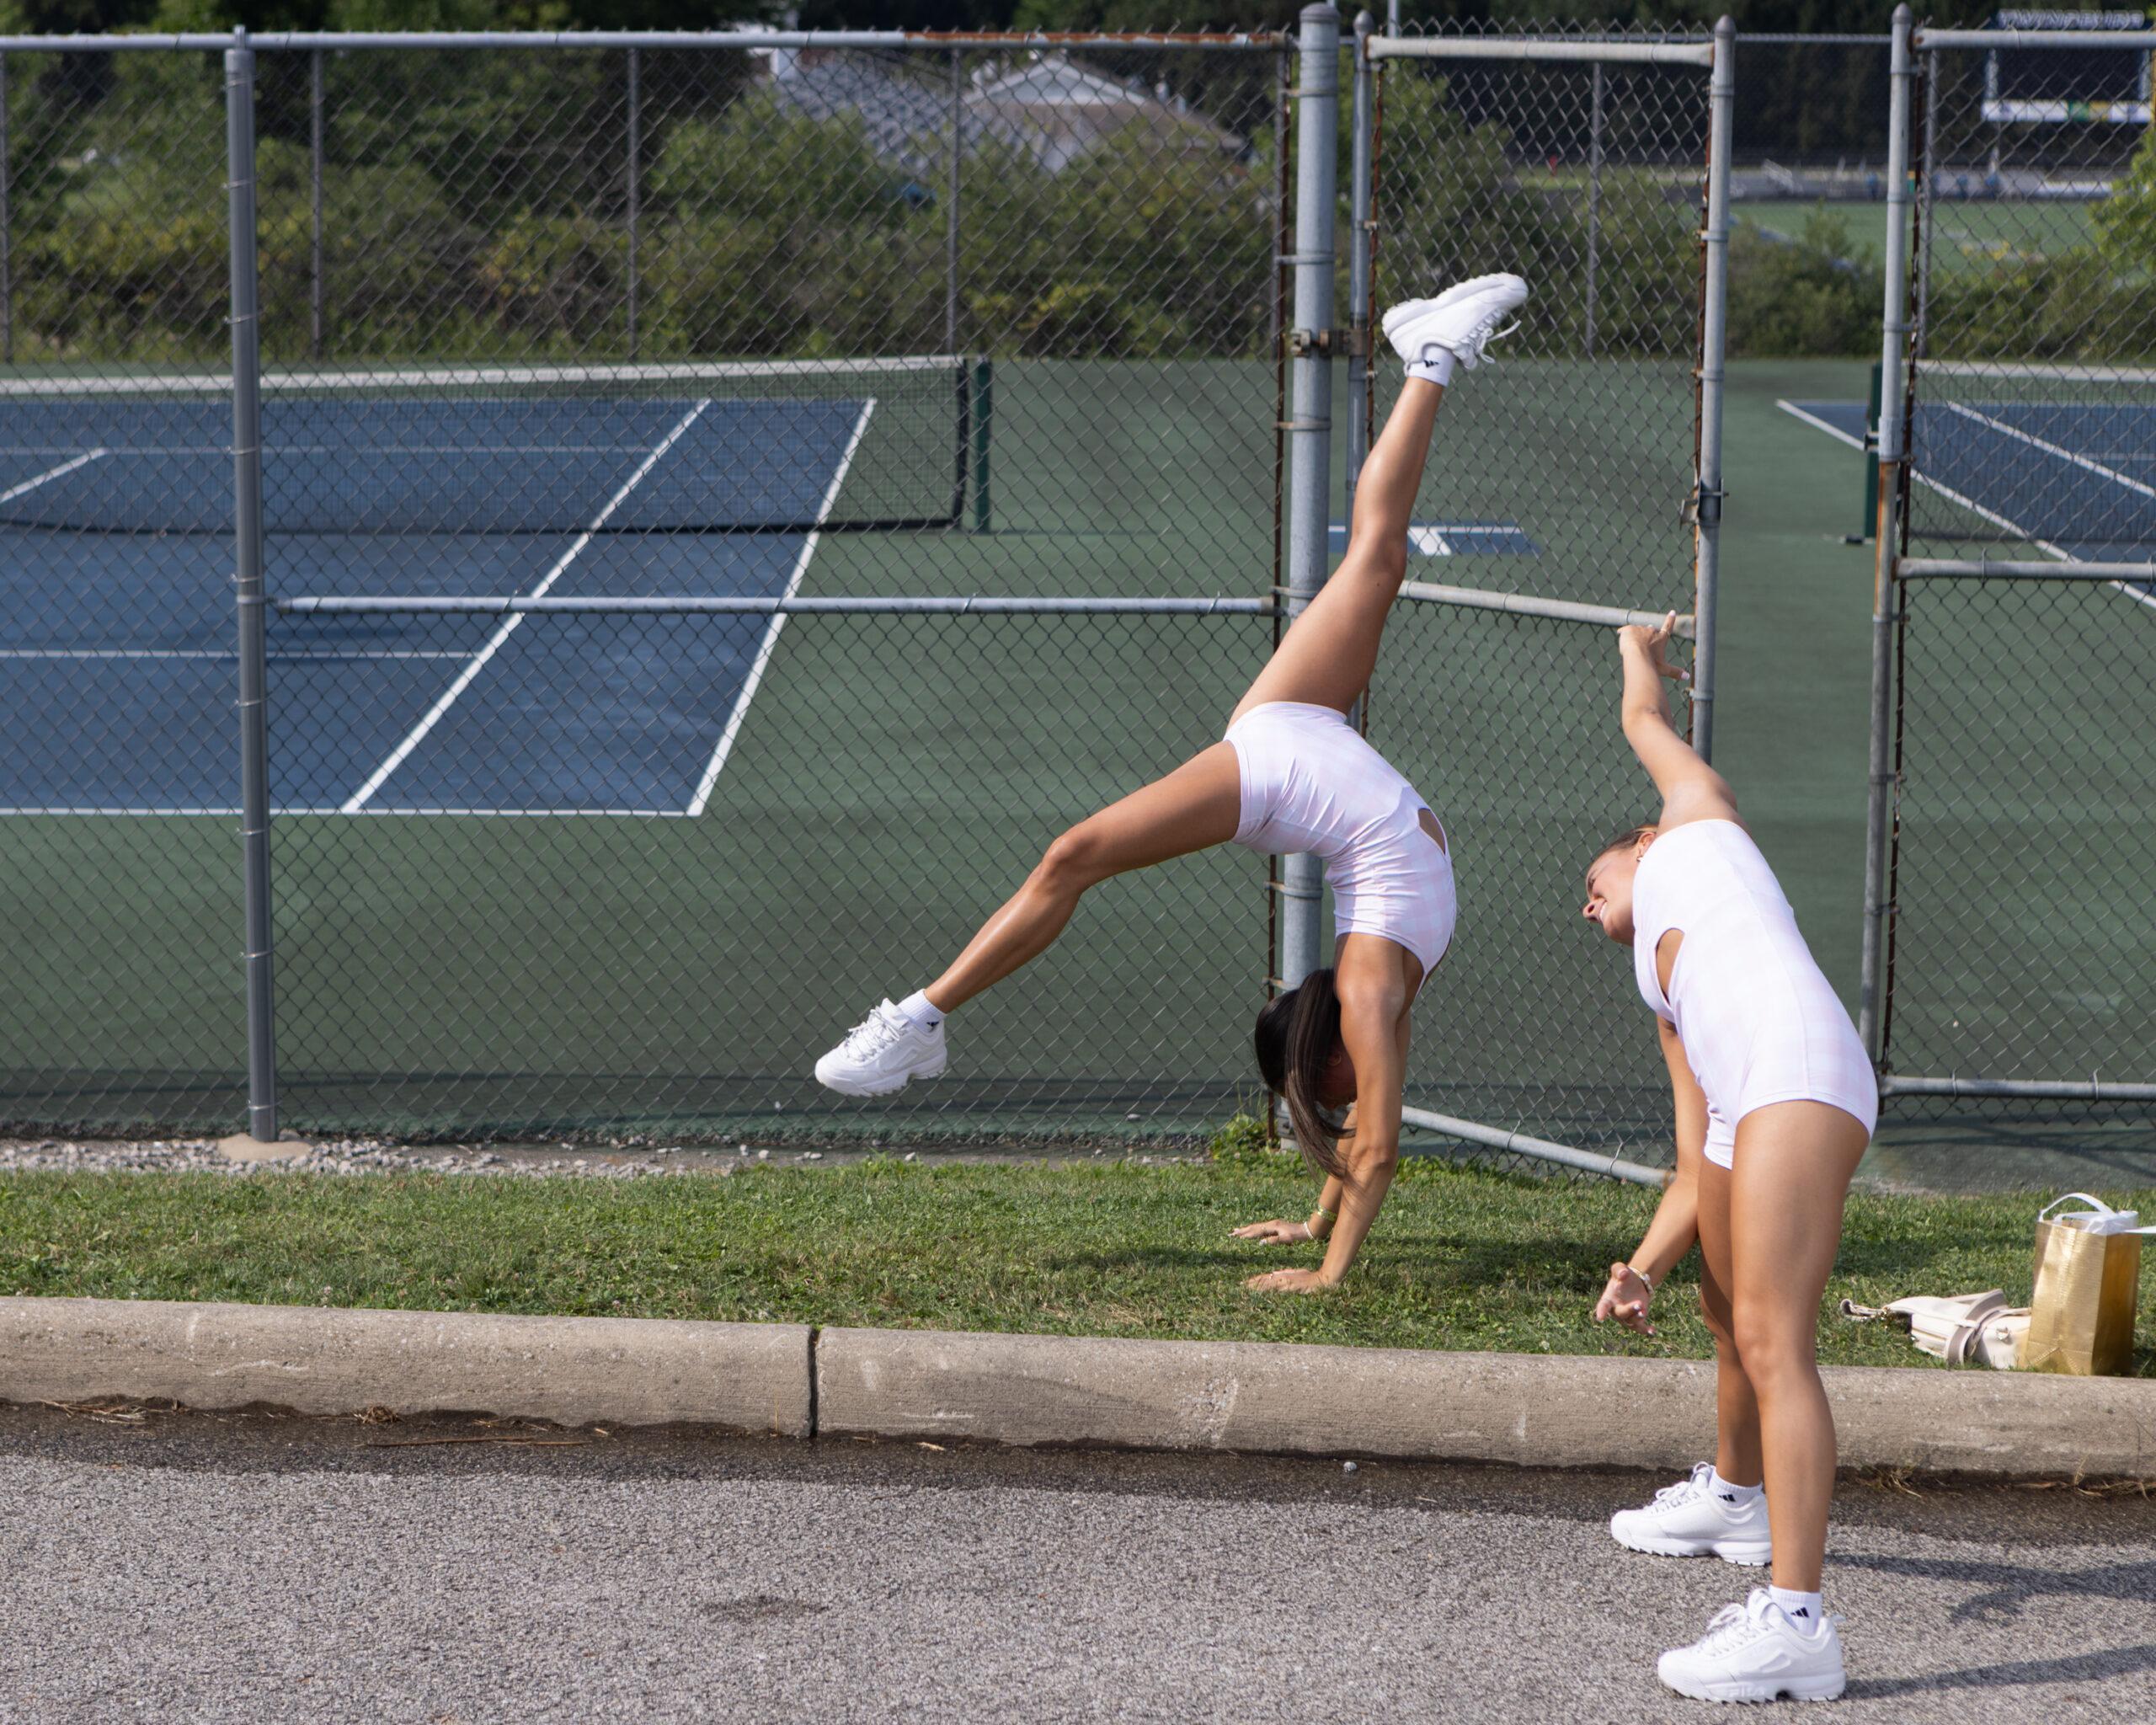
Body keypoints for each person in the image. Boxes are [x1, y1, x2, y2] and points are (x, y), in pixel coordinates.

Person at [814, 273, 1531, 1291]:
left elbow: (1367, 1136)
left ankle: (1431, 357)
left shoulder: (1376, 985)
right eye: (1319, 1100)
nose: (1338, 1104)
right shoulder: (1372, 986)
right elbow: (1377, 1144)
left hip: (1307, 746)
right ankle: (919, 1023)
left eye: (1321, 1100)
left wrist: (1315, 1234)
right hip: (1298, 765)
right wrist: (1329, 1266)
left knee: (1375, 555)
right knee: (1073, 855)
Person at [1580, 613, 1878, 1705]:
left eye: (1593, 875)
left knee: (1772, 1334)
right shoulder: (1667, 994)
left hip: (1803, 1066)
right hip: (1765, 1086)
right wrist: (1646, 1265)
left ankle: (1798, 1624)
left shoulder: (1696, 823)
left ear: (1645, 845)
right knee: (1723, 1302)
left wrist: (1634, 651)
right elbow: (1700, 1168)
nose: (1587, 902)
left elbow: (1642, 717)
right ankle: (1738, 1496)